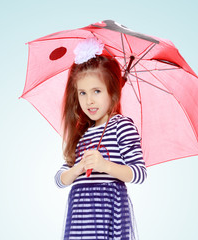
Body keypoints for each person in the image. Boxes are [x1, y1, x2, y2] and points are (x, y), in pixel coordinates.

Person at [54, 38, 147, 240]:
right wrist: (78, 168)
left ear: (112, 93)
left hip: (109, 210)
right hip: (80, 216)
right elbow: (59, 180)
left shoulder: (121, 126)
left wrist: (105, 166)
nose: (89, 100)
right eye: (82, 93)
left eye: (97, 91)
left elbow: (139, 173)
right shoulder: (81, 134)